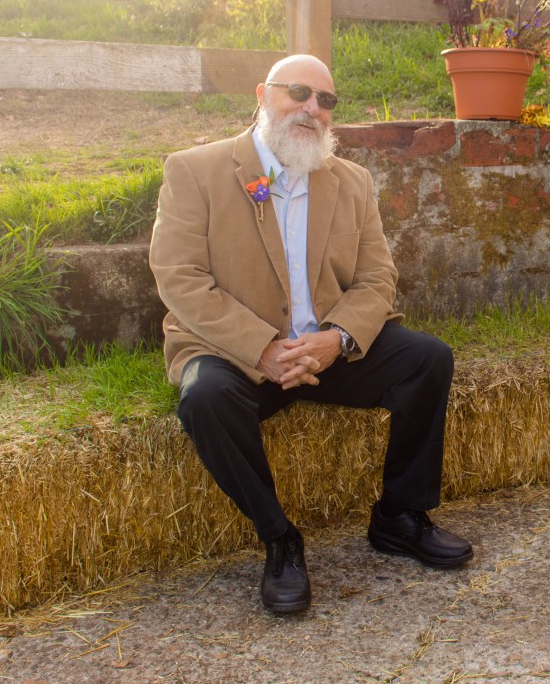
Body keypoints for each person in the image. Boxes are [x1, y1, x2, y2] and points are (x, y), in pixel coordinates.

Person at [149, 54, 472, 614]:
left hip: (325, 351)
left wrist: (337, 338)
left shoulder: (351, 181)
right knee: (205, 398)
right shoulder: (195, 170)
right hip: (237, 353)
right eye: (298, 92)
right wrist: (261, 348)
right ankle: (279, 539)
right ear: (262, 94)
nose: (312, 108)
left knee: (428, 359)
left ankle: (399, 516)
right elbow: (180, 277)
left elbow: (377, 279)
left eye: (326, 100)